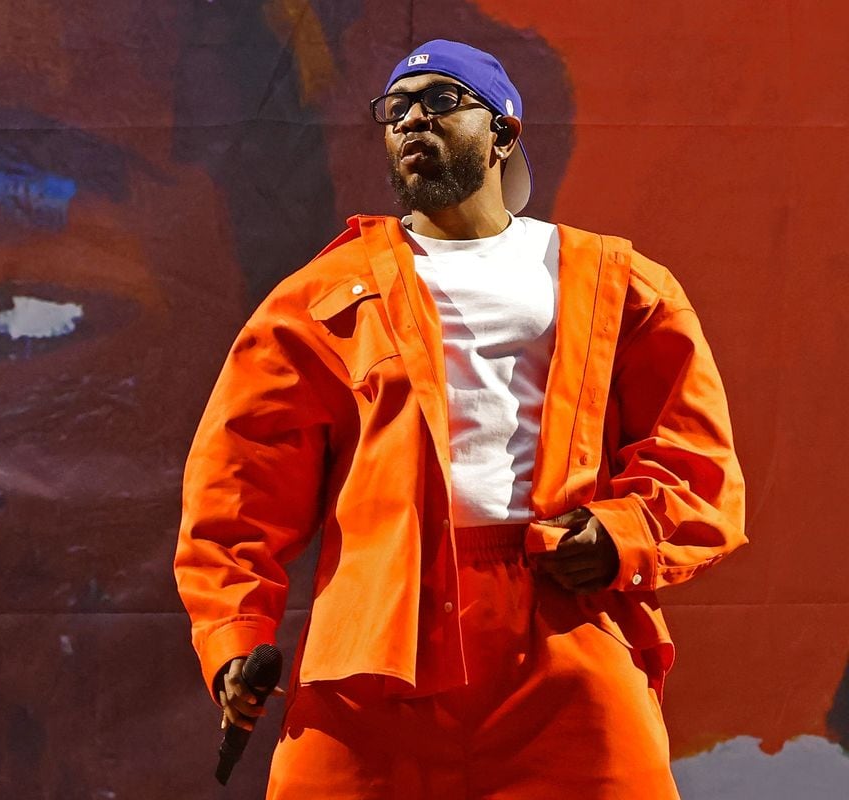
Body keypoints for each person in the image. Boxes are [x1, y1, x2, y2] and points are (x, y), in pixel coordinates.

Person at [174, 39, 747, 798]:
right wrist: (235, 637)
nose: (413, 118)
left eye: (442, 101)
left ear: (504, 131)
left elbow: (696, 456)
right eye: (396, 109)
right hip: (378, 646)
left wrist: (624, 535)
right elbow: (238, 485)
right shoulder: (322, 296)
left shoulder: (616, 281)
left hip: (561, 630)